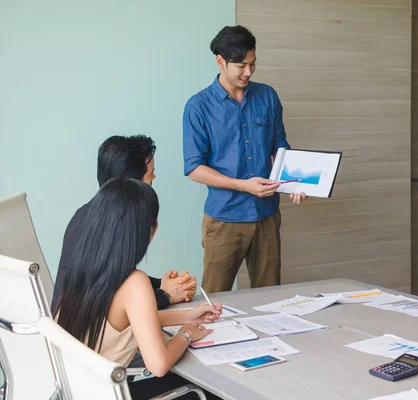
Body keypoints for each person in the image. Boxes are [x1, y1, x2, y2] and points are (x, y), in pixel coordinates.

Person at [55, 178, 222, 399]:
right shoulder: (134, 282)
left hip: (77, 393)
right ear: (148, 230)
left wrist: (185, 315)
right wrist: (186, 333)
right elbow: (159, 364)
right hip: (108, 394)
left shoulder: (84, 266)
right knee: (212, 388)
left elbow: (118, 323)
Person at [183, 25, 305, 294]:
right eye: (241, 65)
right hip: (224, 218)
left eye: (253, 64)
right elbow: (194, 168)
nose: (248, 71)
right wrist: (243, 185)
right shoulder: (198, 107)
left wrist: (293, 182)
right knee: (214, 301)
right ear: (220, 61)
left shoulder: (268, 96)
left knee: (270, 297)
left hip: (267, 216)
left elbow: (281, 148)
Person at [52, 135, 197, 314]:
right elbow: (107, 296)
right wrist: (165, 295)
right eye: (150, 174)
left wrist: (164, 285)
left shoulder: (93, 212)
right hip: (83, 331)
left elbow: (119, 274)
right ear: (130, 183)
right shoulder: (97, 224)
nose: (154, 178)